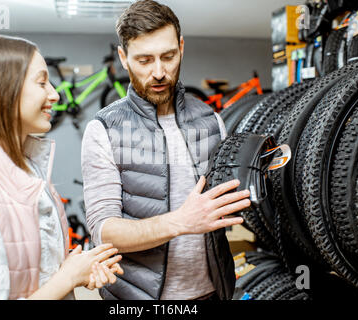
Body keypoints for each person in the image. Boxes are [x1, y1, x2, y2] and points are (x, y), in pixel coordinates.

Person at [0, 34, 123, 300]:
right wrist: (69, 277)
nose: (54, 95)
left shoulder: (29, 171)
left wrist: (71, 269)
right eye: (42, 83)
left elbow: (30, 273)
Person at [81, 0, 251, 300]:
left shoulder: (212, 121)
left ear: (181, 48)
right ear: (123, 57)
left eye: (168, 57)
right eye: (144, 60)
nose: (159, 72)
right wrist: (180, 222)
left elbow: (225, 204)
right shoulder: (104, 129)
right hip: (136, 298)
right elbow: (104, 231)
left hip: (213, 292)